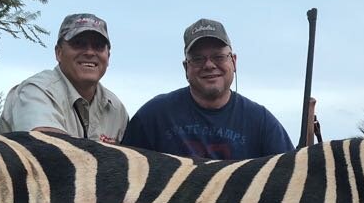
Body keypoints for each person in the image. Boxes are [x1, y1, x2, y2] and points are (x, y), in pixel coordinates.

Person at [122, 18, 293, 159]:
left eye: (219, 57)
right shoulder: (154, 115)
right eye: (197, 59)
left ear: (233, 61)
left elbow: (289, 174)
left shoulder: (262, 122)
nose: (209, 65)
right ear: (185, 68)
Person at [0, 13, 128, 142]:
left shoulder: (117, 109)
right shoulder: (36, 91)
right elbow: (50, 150)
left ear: (108, 57)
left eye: (98, 46)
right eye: (78, 43)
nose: (89, 52)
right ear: (59, 52)